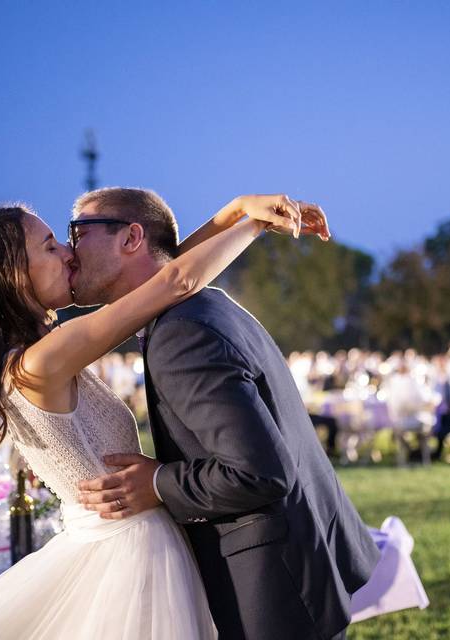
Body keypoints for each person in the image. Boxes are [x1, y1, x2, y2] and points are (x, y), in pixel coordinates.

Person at [0, 195, 323, 640]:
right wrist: (255, 226)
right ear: (13, 275)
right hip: (127, 554)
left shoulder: (41, 354)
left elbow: (155, 274)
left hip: (131, 538)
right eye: (51, 246)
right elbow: (175, 281)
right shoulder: (40, 362)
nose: (68, 253)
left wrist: (234, 212)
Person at [71, 187, 379, 640]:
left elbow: (260, 472)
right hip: (296, 563)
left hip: (273, 588)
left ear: (131, 238)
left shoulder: (181, 335)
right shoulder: (202, 305)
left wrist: (157, 482)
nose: (69, 250)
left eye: (77, 232)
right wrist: (237, 213)